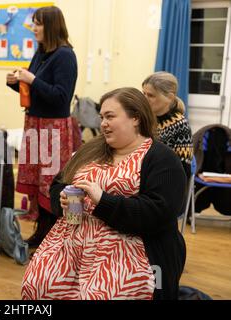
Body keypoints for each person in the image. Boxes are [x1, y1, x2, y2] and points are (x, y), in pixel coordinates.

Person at [22, 87, 187, 300]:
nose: (103, 124)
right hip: (70, 247)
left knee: (104, 293)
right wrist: (62, 199)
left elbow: (159, 213)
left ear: (135, 118)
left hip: (128, 251)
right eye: (102, 117)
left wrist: (102, 200)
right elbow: (57, 185)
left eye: (110, 116)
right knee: (37, 286)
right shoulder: (91, 150)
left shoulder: (161, 159)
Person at [6, 6, 78, 248]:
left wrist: (31, 79)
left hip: (53, 129)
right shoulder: (41, 53)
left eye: (38, 24)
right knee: (38, 181)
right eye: (33, 23)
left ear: (52, 26)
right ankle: (42, 232)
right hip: (35, 124)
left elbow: (60, 97)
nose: (34, 28)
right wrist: (16, 84)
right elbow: (36, 91)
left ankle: (52, 236)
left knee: (51, 183)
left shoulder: (65, 55)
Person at [142, 71, 193, 178]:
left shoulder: (180, 125)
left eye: (150, 95)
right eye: (144, 94)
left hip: (164, 182)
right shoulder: (147, 119)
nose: (145, 99)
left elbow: (183, 171)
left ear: (169, 97)